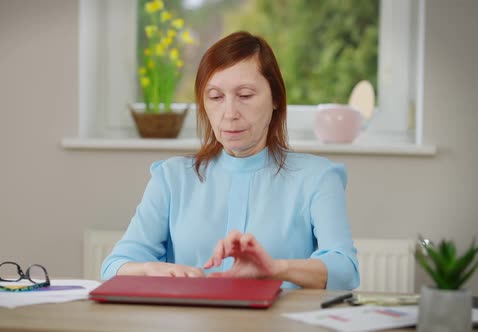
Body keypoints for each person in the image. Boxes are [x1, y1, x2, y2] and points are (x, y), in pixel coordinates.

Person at [101, 31, 359, 290]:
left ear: (276, 99)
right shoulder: (171, 178)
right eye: (215, 97)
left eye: (245, 95)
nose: (230, 113)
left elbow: (345, 270)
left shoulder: (318, 177)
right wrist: (149, 269)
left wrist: (276, 269)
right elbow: (114, 266)